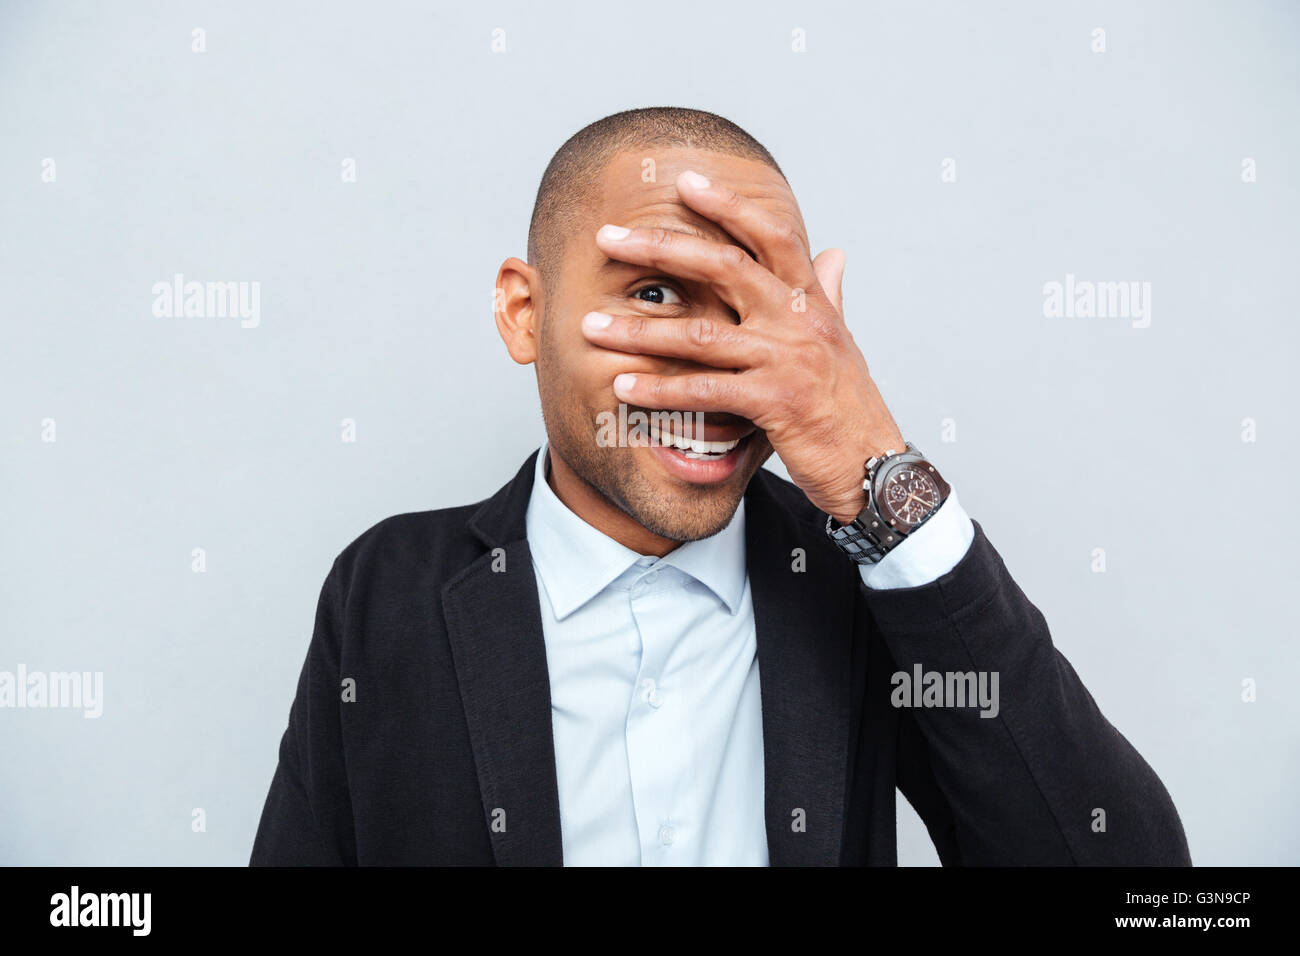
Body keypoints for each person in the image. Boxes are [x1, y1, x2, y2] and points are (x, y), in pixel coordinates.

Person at [250, 106, 1190, 866]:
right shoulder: (387, 592)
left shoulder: (856, 586)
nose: (717, 367)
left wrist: (885, 479)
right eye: (654, 293)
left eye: (753, 308)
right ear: (524, 313)